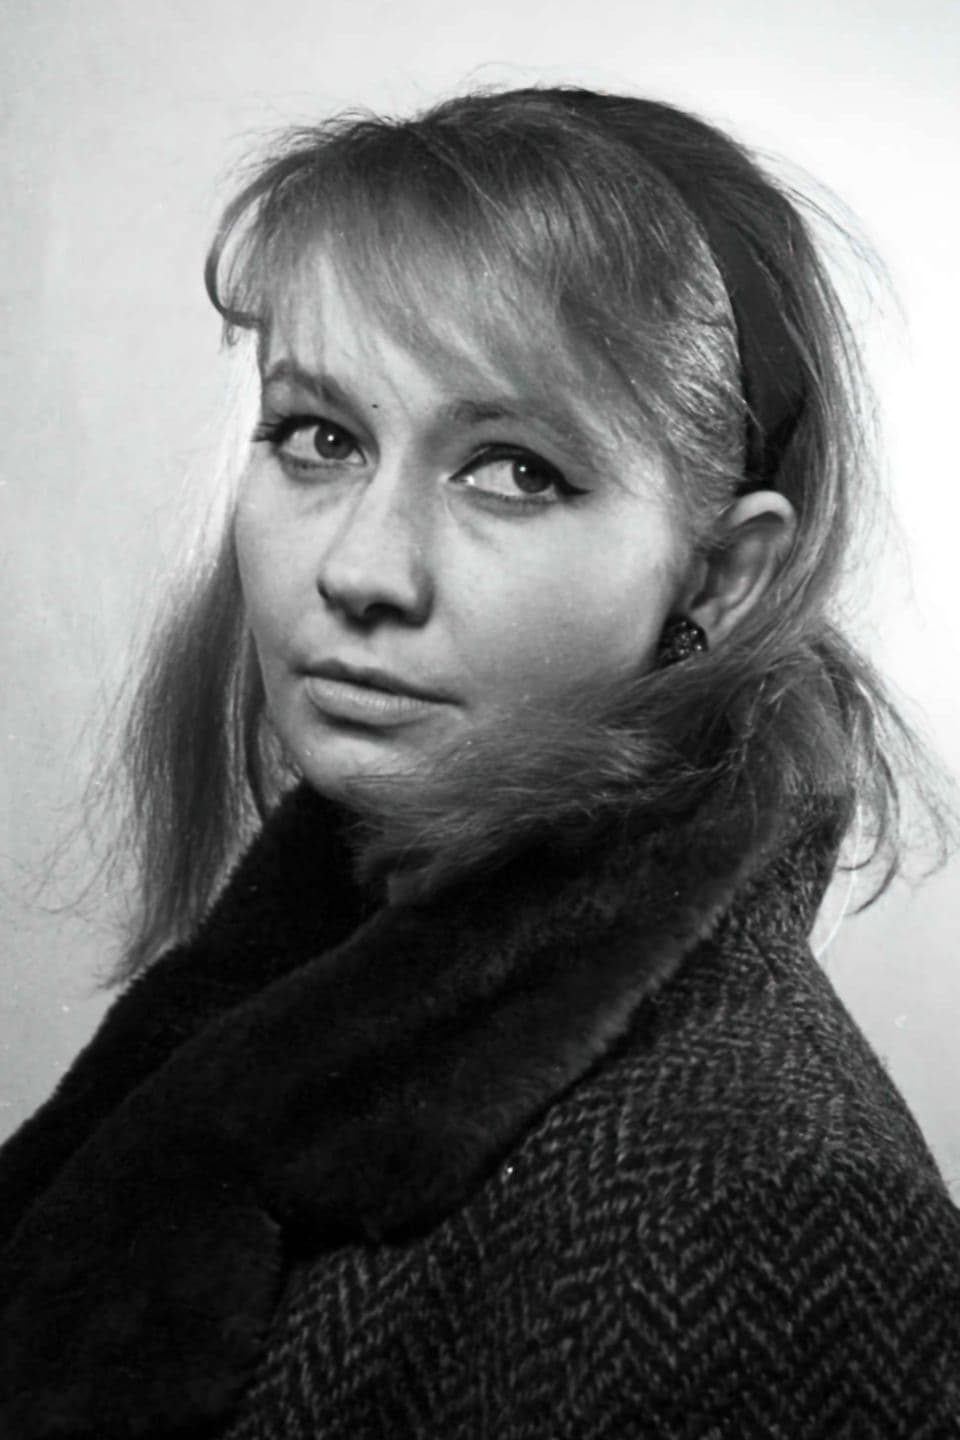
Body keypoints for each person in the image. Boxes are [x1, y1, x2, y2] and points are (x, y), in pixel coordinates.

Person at [0, 84, 957, 1440]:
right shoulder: (288, 1006)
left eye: (513, 471)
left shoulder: (774, 1215)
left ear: (723, 575)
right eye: (319, 438)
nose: (360, 569)